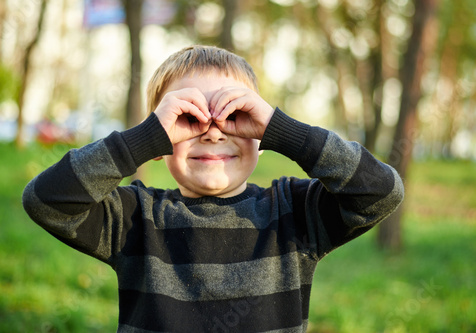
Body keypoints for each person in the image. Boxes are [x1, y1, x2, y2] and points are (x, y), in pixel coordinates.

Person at [23, 45, 404, 332]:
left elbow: (380, 193)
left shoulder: (293, 212)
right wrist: (143, 137)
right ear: (158, 143)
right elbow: (47, 201)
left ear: (260, 132)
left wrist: (283, 131)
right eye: (189, 117)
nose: (213, 131)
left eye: (236, 114)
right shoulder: (134, 217)